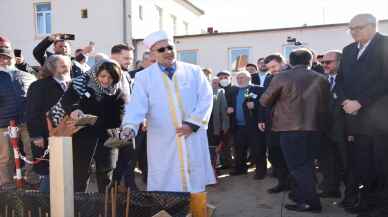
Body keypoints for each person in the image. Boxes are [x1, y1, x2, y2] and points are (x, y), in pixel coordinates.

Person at [121, 30, 215, 192]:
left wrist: (193, 124)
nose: (168, 52)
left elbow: (206, 98)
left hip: (191, 135)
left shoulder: (194, 71)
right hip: (163, 138)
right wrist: (130, 126)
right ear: (152, 54)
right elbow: (137, 105)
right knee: (167, 182)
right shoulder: (145, 77)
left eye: (170, 48)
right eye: (161, 50)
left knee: (194, 180)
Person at [260, 48, 330, 213]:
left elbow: (264, 101)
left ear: (290, 62)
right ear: (310, 61)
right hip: (315, 128)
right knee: (308, 166)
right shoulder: (321, 78)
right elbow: (326, 106)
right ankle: (302, 197)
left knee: (298, 167)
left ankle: (311, 203)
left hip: (290, 129)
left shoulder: (281, 77)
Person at [336, 14, 388, 217]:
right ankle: (366, 203)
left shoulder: (385, 45)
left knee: (382, 165)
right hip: (356, 119)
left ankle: (383, 208)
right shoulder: (348, 51)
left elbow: (385, 82)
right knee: (362, 164)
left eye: (358, 27)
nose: (354, 32)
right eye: (351, 28)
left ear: (373, 26)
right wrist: (346, 102)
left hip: (382, 120)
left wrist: (361, 102)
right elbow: (340, 81)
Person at [49, 58, 126, 193]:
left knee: (106, 181)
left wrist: (95, 121)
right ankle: (80, 210)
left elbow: (116, 122)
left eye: (111, 77)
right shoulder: (81, 85)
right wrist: (74, 110)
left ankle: (105, 211)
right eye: (103, 76)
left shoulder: (118, 94)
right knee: (79, 179)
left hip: (107, 141)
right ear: (96, 74)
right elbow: (67, 101)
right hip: (82, 140)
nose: (106, 80)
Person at [26, 55, 72, 192]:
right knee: (48, 173)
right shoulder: (38, 86)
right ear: (52, 68)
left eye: (68, 65)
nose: (67, 68)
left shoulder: (73, 84)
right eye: (63, 65)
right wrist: (36, 135)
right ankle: (45, 204)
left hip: (69, 135)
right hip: (46, 135)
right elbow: (32, 112)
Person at [0, 45, 37, 188]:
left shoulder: (28, 75)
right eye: (0, 58)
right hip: (3, 123)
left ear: (13, 59)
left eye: (6, 57)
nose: (3, 61)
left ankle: (32, 180)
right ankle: (6, 185)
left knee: (31, 152)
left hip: (26, 121)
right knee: (5, 157)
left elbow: (35, 98)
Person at [259, 54, 292, 194]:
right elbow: (264, 99)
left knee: (290, 157)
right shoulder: (270, 78)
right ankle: (282, 183)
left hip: (289, 124)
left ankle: (296, 186)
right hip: (271, 124)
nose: (272, 70)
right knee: (274, 155)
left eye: (274, 66)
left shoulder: (293, 76)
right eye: (269, 68)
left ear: (282, 62)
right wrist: (261, 119)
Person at [318, 51, 347, 199]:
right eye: (323, 62)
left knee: (347, 165)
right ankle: (331, 189)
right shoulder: (323, 80)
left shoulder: (349, 80)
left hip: (343, 131)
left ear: (340, 62)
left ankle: (351, 196)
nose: (324, 65)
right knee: (327, 163)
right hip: (325, 131)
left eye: (328, 62)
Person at [228, 71, 266, 179]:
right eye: (238, 78)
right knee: (239, 149)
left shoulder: (258, 89)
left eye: (242, 77)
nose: (240, 79)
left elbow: (265, 104)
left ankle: (260, 172)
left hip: (254, 125)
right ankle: (240, 169)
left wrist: (256, 105)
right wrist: (229, 109)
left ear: (249, 78)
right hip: (238, 126)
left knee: (257, 149)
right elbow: (230, 103)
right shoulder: (233, 90)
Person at [208, 77, 229, 171]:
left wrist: (225, 125)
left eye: (217, 83)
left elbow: (224, 111)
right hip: (204, 125)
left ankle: (213, 170)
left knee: (214, 148)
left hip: (215, 125)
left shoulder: (221, 92)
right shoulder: (204, 92)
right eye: (213, 82)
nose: (215, 84)